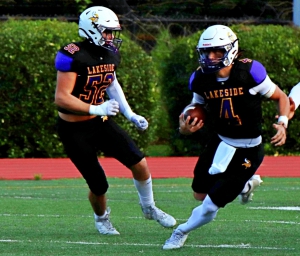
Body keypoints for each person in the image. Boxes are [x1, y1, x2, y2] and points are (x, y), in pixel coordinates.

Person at [163, 24, 289, 250]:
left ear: (231, 50)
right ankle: (244, 186)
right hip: (220, 142)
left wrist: (282, 123)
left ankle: (180, 231)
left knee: (210, 206)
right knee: (200, 194)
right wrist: (185, 127)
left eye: (217, 51)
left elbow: (281, 97)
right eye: (206, 52)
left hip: (249, 149)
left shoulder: (249, 72)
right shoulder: (200, 78)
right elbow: (195, 108)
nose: (210, 57)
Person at [54, 6, 176, 235]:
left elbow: (111, 83)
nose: (111, 37)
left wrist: (130, 114)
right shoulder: (72, 53)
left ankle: (149, 207)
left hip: (99, 122)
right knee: (99, 185)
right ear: (91, 29)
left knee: (139, 162)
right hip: (74, 128)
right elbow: (61, 99)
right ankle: (101, 219)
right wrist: (97, 106)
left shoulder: (109, 52)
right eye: (107, 32)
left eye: (112, 32)